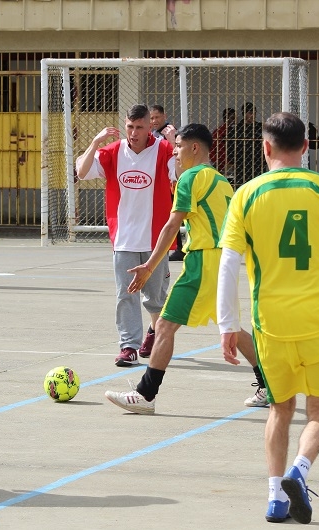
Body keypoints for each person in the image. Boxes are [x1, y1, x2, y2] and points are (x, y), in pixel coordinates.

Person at [217, 112, 319, 524]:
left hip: (271, 326)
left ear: (265, 147)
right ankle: (299, 472)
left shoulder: (246, 194)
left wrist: (227, 324)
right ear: (305, 146)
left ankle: (275, 498)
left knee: (279, 410)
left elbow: (228, 264)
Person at [104, 123, 269, 415]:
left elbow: (172, 224)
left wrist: (150, 265)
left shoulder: (191, 177)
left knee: (165, 325)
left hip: (203, 261)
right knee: (231, 326)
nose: (175, 152)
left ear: (194, 148)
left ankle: (145, 394)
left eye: (178, 146)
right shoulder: (220, 180)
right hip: (223, 260)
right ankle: (270, 384)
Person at [76, 104, 177, 366]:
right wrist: (95, 142)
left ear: (149, 127)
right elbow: (82, 172)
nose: (133, 133)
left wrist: (173, 142)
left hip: (156, 238)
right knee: (125, 294)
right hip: (124, 239)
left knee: (155, 299)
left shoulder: (164, 149)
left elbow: (181, 176)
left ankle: (154, 331)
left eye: (139, 127)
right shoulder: (112, 151)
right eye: (129, 127)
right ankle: (128, 346)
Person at [150, 104, 185, 261]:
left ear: (164, 116)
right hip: (160, 180)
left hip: (171, 179)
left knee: (174, 214)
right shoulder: (152, 133)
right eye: (151, 118)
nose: (155, 120)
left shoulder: (170, 133)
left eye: (157, 117)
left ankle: (178, 247)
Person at [229, 102, 265, 186]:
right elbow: (230, 147)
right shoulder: (237, 129)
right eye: (250, 113)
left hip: (258, 163)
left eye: (254, 113)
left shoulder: (259, 127)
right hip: (242, 164)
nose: (253, 115)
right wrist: (235, 161)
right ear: (244, 113)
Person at [210, 107, 236, 176]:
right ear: (225, 119)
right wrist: (218, 162)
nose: (234, 121)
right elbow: (211, 150)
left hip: (234, 164)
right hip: (222, 165)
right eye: (232, 118)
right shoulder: (219, 132)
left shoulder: (237, 131)